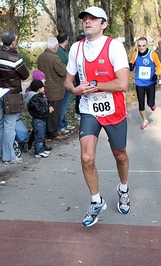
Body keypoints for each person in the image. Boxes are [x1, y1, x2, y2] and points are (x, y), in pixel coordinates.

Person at [63, 6, 131, 227]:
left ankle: (123, 189)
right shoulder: (76, 48)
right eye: (84, 18)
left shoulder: (115, 47)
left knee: (119, 154)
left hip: (114, 109)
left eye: (93, 19)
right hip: (89, 108)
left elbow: (122, 84)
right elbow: (67, 81)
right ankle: (96, 201)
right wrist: (75, 90)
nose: (87, 22)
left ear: (104, 24)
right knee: (86, 158)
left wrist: (94, 86)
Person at [0, 31, 30, 164]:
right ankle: (8, 156)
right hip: (12, 95)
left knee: (0, 123)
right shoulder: (15, 58)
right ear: (12, 42)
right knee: (9, 124)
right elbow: (25, 75)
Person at [37, 37, 67, 140]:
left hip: (44, 89)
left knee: (46, 112)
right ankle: (53, 133)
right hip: (55, 90)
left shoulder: (41, 57)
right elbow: (63, 72)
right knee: (55, 113)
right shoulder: (55, 58)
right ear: (55, 47)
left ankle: (45, 131)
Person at [129, 37, 161, 129]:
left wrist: (156, 74)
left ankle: (152, 104)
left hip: (150, 82)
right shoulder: (135, 54)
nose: (141, 48)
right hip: (139, 82)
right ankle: (145, 121)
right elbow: (131, 64)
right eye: (139, 46)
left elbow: (159, 67)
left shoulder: (153, 54)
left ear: (146, 45)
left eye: (143, 45)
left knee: (150, 103)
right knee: (141, 103)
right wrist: (131, 66)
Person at [24, 80, 54, 158]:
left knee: (41, 135)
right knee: (39, 136)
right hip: (38, 120)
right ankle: (39, 151)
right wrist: (48, 110)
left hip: (42, 119)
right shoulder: (35, 98)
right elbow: (39, 110)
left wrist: (47, 108)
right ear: (38, 89)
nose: (44, 88)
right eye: (42, 87)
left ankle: (42, 148)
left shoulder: (38, 96)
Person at [56, 33, 75, 134]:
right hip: (63, 82)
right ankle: (60, 125)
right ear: (65, 40)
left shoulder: (60, 51)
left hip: (63, 81)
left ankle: (64, 122)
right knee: (63, 105)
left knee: (63, 105)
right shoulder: (59, 52)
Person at [74, 34, 85, 121]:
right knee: (79, 93)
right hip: (78, 75)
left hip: (83, 75)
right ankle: (78, 112)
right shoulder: (76, 51)